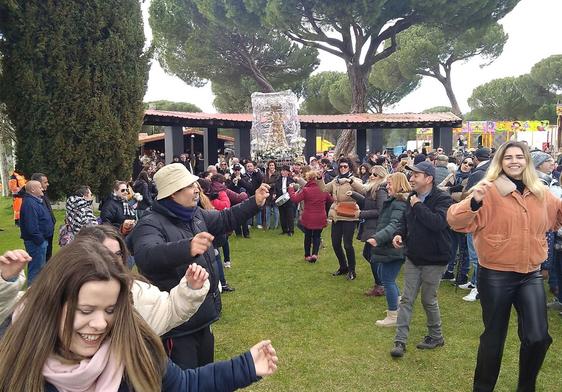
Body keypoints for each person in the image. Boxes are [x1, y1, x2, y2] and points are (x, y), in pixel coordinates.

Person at [0, 240, 278, 392]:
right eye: (85, 311)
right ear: (52, 303)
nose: (99, 324)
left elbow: (182, 385)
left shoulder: (133, 341)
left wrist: (244, 367)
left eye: (110, 310)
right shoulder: (13, 355)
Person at [130, 163, 270, 369]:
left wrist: (254, 202)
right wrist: (187, 247)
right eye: (189, 185)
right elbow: (146, 255)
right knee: (184, 383)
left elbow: (225, 218)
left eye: (195, 183)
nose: (197, 189)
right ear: (172, 193)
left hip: (202, 318)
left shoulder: (195, 215)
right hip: (176, 328)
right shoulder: (151, 223)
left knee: (204, 377)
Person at [447, 141, 562, 392]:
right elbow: (455, 220)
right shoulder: (487, 190)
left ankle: (526, 387)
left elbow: (558, 215)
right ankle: (483, 388)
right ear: (500, 162)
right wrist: (473, 201)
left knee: (538, 337)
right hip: (496, 275)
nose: (514, 161)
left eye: (519, 156)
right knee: (494, 338)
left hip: (530, 274)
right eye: (507, 157)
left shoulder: (541, 193)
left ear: (527, 161)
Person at [389, 161, 453, 358]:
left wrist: (417, 205)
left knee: (428, 299)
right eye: (412, 175)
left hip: (435, 259)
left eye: (416, 175)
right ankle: (400, 341)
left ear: (428, 178)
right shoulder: (412, 197)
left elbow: (437, 223)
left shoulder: (443, 199)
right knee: (407, 299)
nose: (411, 178)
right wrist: (400, 234)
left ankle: (436, 336)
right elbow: (405, 221)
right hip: (414, 257)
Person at [366, 172, 411, 327]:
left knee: (387, 279)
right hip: (389, 245)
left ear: (398, 184)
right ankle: (399, 305)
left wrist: (377, 238)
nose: (387, 187)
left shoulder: (399, 202)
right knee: (383, 275)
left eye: (390, 184)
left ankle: (393, 315)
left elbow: (394, 225)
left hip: (394, 246)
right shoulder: (395, 200)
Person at [319, 158, 364, 280]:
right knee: (335, 243)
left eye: (345, 166)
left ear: (350, 167)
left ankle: (352, 270)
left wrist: (350, 181)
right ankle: (343, 267)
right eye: (341, 166)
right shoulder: (335, 180)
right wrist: (319, 178)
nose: (342, 168)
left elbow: (363, 190)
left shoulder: (355, 180)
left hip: (349, 215)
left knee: (348, 244)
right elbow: (323, 189)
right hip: (337, 215)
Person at [349, 165, 389, 296]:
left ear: (382, 177)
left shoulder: (381, 189)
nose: (371, 176)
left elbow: (380, 210)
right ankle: (381, 282)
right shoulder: (373, 188)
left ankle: (381, 285)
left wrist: (361, 214)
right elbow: (367, 202)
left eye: (375, 174)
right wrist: (354, 194)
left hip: (376, 227)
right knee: (369, 255)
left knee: (372, 256)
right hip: (371, 227)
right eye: (371, 173)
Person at [287, 169, 332, 262]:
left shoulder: (306, 190)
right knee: (317, 236)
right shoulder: (324, 190)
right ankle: (315, 254)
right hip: (321, 216)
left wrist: (291, 189)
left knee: (308, 236)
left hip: (309, 217)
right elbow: (330, 200)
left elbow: (295, 199)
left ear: (309, 179)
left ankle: (307, 255)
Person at [19, 180, 55, 285]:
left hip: (41, 241)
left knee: (40, 268)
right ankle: (32, 293)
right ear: (33, 190)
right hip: (36, 242)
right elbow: (31, 227)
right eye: (40, 187)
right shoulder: (30, 204)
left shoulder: (36, 201)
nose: (43, 188)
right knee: (35, 269)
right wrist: (40, 241)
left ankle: (38, 290)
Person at [30, 173, 56, 260]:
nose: (47, 184)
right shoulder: (31, 201)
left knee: (47, 258)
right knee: (39, 263)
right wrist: (40, 239)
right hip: (42, 236)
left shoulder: (43, 195)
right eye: (45, 182)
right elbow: (31, 224)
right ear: (37, 184)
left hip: (48, 233)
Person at [275, 165, 296, 236]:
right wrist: (275, 194)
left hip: (289, 199)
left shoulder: (291, 180)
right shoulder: (278, 180)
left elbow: (295, 189)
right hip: (281, 198)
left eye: (284, 170)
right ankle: (284, 230)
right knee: (282, 215)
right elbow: (276, 188)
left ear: (288, 172)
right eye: (282, 170)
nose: (282, 172)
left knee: (290, 215)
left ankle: (291, 231)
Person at [263, 160, 280, 230]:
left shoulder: (277, 174)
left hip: (274, 193)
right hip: (267, 194)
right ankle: (267, 225)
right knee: (267, 210)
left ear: (275, 166)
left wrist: (269, 186)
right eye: (270, 165)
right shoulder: (266, 174)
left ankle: (276, 225)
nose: (271, 167)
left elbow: (277, 183)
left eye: (272, 165)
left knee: (276, 210)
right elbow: (263, 182)